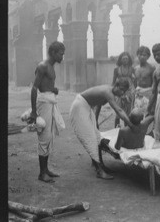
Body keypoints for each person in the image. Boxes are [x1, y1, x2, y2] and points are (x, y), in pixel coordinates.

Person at [69, 79, 137, 179]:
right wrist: (131, 125)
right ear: (116, 86)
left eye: (124, 91)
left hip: (87, 107)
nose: (122, 93)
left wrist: (95, 120)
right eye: (122, 90)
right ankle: (99, 171)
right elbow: (119, 110)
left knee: (97, 136)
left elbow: (99, 103)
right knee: (90, 138)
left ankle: (100, 165)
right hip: (79, 106)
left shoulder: (110, 93)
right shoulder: (108, 92)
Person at [28, 41, 66, 183]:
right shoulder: (43, 66)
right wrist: (33, 112)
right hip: (43, 103)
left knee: (49, 136)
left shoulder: (51, 66)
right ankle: (41, 173)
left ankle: (46, 170)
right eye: (61, 54)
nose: (62, 57)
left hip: (49, 101)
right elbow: (34, 88)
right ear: (53, 53)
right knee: (44, 136)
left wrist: (53, 89)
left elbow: (46, 86)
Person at [133, 46, 155, 133]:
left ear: (148, 56)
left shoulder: (151, 68)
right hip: (138, 96)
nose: (142, 56)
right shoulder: (135, 68)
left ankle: (148, 134)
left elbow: (154, 84)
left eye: (144, 55)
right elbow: (134, 83)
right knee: (137, 114)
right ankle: (138, 133)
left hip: (148, 95)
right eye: (140, 54)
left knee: (148, 115)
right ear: (137, 55)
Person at [113, 51, 136, 128]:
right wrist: (114, 91)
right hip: (119, 91)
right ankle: (115, 131)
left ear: (129, 59)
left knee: (128, 113)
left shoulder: (132, 69)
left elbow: (135, 82)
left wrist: (133, 92)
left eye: (126, 58)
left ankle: (127, 129)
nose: (125, 60)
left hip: (129, 92)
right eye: (123, 59)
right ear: (120, 60)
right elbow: (113, 82)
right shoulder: (116, 69)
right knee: (118, 112)